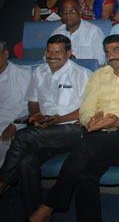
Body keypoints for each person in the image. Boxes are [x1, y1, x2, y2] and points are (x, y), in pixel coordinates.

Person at [29, 34, 119, 222]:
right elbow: (86, 109)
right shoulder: (99, 75)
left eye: (116, 50)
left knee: (84, 146)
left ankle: (49, 206)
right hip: (98, 134)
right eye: (107, 52)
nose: (111, 55)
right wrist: (90, 121)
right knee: (85, 177)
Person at [0, 35, 92, 216]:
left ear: (69, 53)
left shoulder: (82, 74)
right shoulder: (39, 72)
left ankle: (2, 181)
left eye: (58, 52)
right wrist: (37, 115)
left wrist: (59, 119)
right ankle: (36, 215)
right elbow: (33, 102)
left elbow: (87, 109)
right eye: (49, 51)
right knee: (26, 162)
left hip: (73, 130)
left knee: (24, 135)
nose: (52, 56)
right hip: (45, 132)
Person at [0, 39, 31, 164]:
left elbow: (29, 105)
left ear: (5, 54)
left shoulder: (22, 75)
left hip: (12, 123)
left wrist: (14, 124)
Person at [52, 0, 106, 64]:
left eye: (72, 11)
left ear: (80, 12)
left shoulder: (93, 31)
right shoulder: (57, 32)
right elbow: (48, 56)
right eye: (65, 12)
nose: (68, 15)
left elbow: (100, 59)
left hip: (87, 69)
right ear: (61, 14)